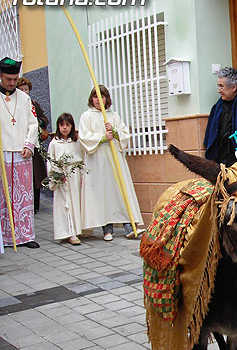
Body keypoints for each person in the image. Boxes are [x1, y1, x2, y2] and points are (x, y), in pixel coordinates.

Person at [78, 85, 144, 241]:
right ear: (91, 99)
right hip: (97, 161)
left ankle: (129, 225)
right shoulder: (86, 117)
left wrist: (114, 131)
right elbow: (84, 136)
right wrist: (102, 138)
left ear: (107, 98)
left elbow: (124, 134)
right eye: (95, 97)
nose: (98, 100)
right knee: (103, 193)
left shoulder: (113, 116)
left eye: (102, 97)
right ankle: (107, 229)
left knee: (121, 190)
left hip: (115, 159)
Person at [0, 57, 40, 249]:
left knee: (24, 194)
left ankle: (25, 236)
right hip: (3, 152)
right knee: (4, 195)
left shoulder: (24, 98)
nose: (12, 83)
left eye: (15, 79)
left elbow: (33, 123)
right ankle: (5, 238)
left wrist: (28, 144)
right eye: (8, 79)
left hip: (22, 152)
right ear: (1, 76)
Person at [203, 67, 237, 165]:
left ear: (233, 87)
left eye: (221, 86)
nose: (219, 90)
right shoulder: (218, 106)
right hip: (222, 157)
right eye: (218, 86)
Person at [48, 113, 83, 245]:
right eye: (62, 125)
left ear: (72, 126)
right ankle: (68, 232)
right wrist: (57, 175)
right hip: (62, 176)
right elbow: (51, 160)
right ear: (58, 126)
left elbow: (81, 158)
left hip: (74, 175)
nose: (64, 128)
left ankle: (77, 229)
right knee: (65, 203)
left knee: (75, 202)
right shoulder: (54, 143)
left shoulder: (76, 142)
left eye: (67, 125)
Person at [16, 76, 48, 214]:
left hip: (34, 143)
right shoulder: (15, 104)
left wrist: (38, 122)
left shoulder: (34, 104)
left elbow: (44, 118)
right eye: (21, 89)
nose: (24, 91)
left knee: (36, 175)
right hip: (21, 143)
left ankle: (35, 205)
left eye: (26, 89)